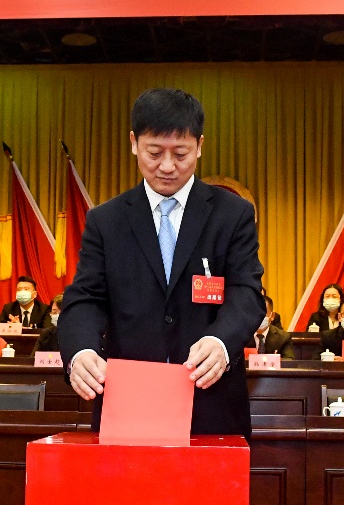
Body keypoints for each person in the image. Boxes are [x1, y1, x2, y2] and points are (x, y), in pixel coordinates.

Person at [59, 87, 265, 436]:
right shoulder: (106, 221)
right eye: (154, 153)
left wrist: (221, 342)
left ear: (199, 146)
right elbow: (85, 298)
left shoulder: (232, 214)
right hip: (129, 402)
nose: (167, 167)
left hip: (211, 401)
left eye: (180, 154)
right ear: (134, 143)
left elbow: (246, 292)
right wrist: (80, 351)